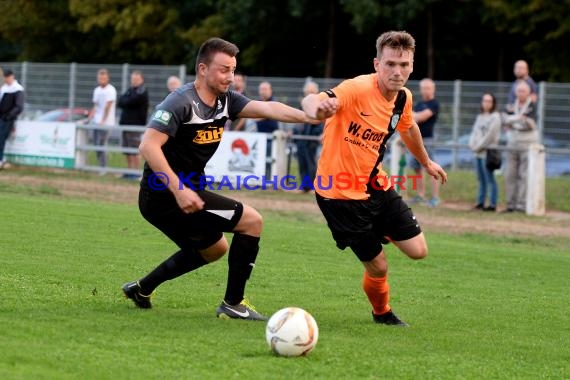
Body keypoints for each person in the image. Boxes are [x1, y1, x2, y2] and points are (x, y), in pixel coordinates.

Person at [122, 37, 319, 320]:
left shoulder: (226, 100)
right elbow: (148, 145)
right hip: (163, 194)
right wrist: (178, 190)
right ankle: (233, 304)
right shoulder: (180, 102)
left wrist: (309, 117)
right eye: (224, 69)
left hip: (187, 192)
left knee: (214, 249)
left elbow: (268, 109)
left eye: (233, 70)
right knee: (252, 221)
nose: (231, 77)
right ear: (203, 69)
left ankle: (142, 289)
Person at [302, 31, 447, 326]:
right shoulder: (356, 88)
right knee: (379, 266)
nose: (397, 71)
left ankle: (378, 230)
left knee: (419, 251)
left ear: (412, 65)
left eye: (404, 64)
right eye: (391, 64)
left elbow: (408, 129)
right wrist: (316, 110)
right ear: (377, 64)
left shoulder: (404, 98)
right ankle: (382, 313)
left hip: (375, 185)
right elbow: (313, 100)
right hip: (339, 194)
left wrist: (426, 161)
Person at [502, 80, 538, 213]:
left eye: (523, 91)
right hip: (512, 142)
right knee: (510, 174)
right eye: (519, 91)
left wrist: (514, 120)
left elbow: (531, 123)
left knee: (524, 175)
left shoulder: (532, 105)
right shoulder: (511, 105)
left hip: (527, 143)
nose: (521, 93)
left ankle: (522, 205)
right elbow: (505, 120)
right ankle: (511, 204)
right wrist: (518, 119)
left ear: (528, 92)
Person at [407, 78, 440, 207]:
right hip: (416, 140)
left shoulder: (434, 104)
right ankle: (420, 195)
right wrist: (414, 115)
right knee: (416, 168)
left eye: (428, 88)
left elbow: (420, 117)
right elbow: (411, 119)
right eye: (423, 88)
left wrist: (414, 115)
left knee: (432, 168)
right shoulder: (420, 104)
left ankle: (435, 198)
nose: (425, 90)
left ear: (433, 89)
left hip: (428, 140)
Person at [468, 93, 501, 211]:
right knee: (481, 179)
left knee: (490, 178)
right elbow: (474, 132)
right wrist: (472, 144)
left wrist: (478, 147)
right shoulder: (480, 116)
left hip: (487, 153)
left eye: (489, 101)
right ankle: (480, 202)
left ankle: (492, 204)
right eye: (484, 101)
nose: (486, 103)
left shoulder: (496, 117)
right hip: (478, 153)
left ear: (493, 103)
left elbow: (490, 136)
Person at [118, 70, 149, 179]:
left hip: (136, 126)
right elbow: (120, 101)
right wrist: (126, 101)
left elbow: (131, 101)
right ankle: (129, 171)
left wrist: (126, 101)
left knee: (135, 149)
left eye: (136, 79)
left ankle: (136, 173)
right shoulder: (130, 90)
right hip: (125, 125)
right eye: (132, 79)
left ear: (141, 79)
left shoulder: (142, 91)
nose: (134, 81)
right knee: (127, 150)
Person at [294, 80, 323, 193]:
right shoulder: (302, 104)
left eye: (312, 92)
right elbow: (296, 119)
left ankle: (312, 185)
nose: (309, 94)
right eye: (308, 92)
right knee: (302, 162)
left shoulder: (320, 104)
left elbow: (321, 122)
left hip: (311, 139)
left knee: (310, 162)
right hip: (301, 139)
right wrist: (295, 131)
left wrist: (316, 134)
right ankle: (304, 185)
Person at [88, 69, 117, 170]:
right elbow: (95, 106)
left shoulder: (111, 90)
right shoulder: (97, 90)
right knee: (96, 145)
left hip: (107, 123)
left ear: (108, 78)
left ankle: (104, 167)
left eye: (104, 77)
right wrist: (88, 119)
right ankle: (101, 166)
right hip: (96, 122)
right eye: (100, 77)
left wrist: (103, 120)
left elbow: (108, 106)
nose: (102, 79)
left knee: (101, 144)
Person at [0, 69, 25, 170]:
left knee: (1, 138)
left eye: (7, 77)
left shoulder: (17, 89)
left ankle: (0, 159)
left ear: (12, 76)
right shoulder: (4, 88)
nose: (6, 79)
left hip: (7, 119)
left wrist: (9, 116)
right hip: (1, 117)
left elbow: (19, 106)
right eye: (5, 77)